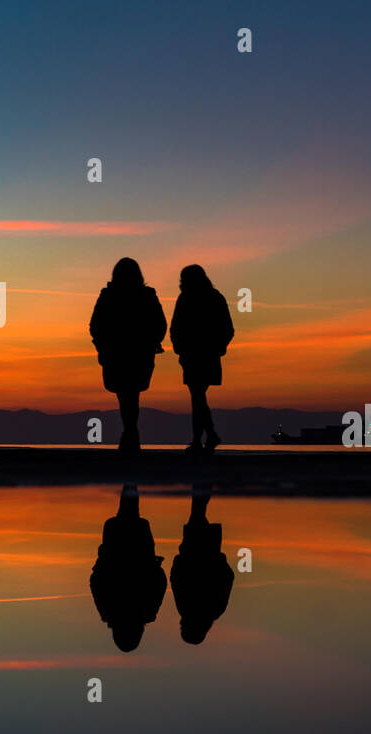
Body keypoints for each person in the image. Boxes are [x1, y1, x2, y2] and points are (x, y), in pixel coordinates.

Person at [89, 258, 167, 453]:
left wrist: (102, 345)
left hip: (119, 353)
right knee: (130, 393)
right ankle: (130, 433)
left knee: (126, 393)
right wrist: (152, 342)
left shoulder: (109, 296)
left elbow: (96, 325)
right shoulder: (145, 296)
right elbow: (160, 323)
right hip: (136, 352)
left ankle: (130, 433)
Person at [89, 484, 168, 652]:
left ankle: (131, 482)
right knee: (128, 514)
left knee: (129, 513)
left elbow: (160, 583)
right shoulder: (110, 612)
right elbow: (96, 582)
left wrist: (154, 567)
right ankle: (130, 482)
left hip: (130, 554)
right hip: (125, 553)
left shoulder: (146, 611)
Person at [169, 264, 234, 454]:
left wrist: (180, 347)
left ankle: (202, 438)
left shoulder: (190, 298)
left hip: (198, 354)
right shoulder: (215, 298)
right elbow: (228, 329)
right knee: (198, 396)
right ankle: (205, 437)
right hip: (198, 354)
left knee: (197, 396)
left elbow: (176, 326)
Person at [170, 491, 234, 644]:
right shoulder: (188, 609)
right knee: (197, 516)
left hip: (206, 554)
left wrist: (220, 561)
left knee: (197, 515)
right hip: (194, 555)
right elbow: (177, 581)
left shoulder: (214, 611)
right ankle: (201, 488)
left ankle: (201, 489)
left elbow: (228, 579)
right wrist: (178, 561)